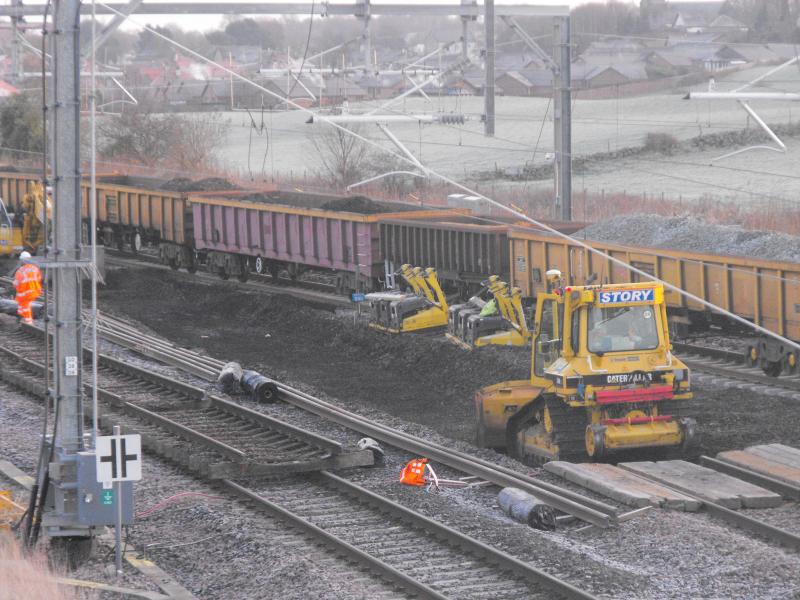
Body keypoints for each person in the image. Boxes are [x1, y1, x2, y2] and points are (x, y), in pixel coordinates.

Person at [13, 251, 42, 325]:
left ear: (22, 260)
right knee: (24, 306)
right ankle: (22, 318)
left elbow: (16, 283)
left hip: (25, 293)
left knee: (25, 307)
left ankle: (28, 323)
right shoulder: (35, 268)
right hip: (35, 291)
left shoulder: (20, 270)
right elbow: (39, 279)